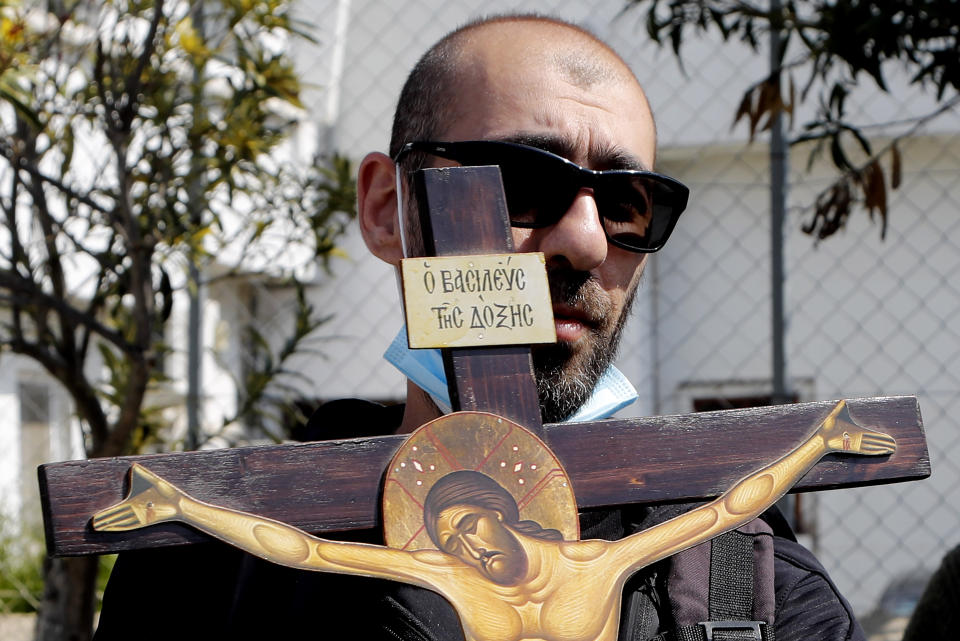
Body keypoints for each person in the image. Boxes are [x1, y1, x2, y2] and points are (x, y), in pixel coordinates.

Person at [94, 13, 869, 641]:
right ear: (386, 208)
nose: (586, 241)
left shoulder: (746, 588)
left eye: (628, 202)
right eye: (524, 183)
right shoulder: (207, 580)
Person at [93, 404, 893, 641]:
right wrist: (181, 504)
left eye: (478, 525)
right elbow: (307, 549)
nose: (471, 542)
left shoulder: (599, 565)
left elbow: (729, 507)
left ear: (515, 515)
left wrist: (822, 439)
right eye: (455, 536)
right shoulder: (442, 575)